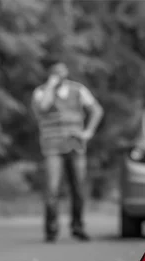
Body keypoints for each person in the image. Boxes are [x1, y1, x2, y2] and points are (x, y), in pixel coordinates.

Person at [31, 62, 104, 242]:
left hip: (75, 145)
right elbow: (42, 108)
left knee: (78, 188)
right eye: (55, 71)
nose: (59, 74)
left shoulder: (78, 90)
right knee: (52, 188)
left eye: (62, 71)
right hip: (52, 147)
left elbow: (96, 110)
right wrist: (50, 86)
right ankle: (51, 229)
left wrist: (88, 132)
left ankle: (77, 227)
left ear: (67, 73)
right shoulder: (41, 91)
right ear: (50, 73)